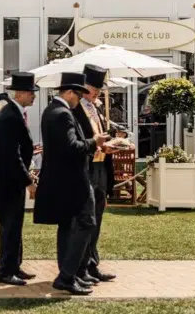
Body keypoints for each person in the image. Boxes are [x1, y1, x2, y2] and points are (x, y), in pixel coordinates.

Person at [33, 72, 108, 296]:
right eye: (78, 94)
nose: (80, 99)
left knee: (67, 227)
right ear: (68, 92)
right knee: (86, 222)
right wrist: (94, 141)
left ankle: (69, 275)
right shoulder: (62, 114)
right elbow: (72, 147)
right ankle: (67, 275)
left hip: (64, 180)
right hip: (73, 180)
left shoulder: (53, 111)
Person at [0, 72, 39, 286]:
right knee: (10, 226)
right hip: (8, 180)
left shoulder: (14, 113)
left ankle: (14, 265)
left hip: (13, 179)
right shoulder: (10, 116)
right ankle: (5, 270)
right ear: (21, 93)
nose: (34, 97)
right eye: (31, 93)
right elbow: (12, 154)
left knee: (16, 225)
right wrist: (28, 180)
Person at [71, 65, 117, 284]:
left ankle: (92, 263)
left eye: (99, 89)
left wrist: (110, 143)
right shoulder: (75, 109)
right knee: (85, 219)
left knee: (97, 218)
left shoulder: (97, 108)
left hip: (101, 168)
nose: (96, 93)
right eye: (92, 89)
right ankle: (80, 266)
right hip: (87, 168)